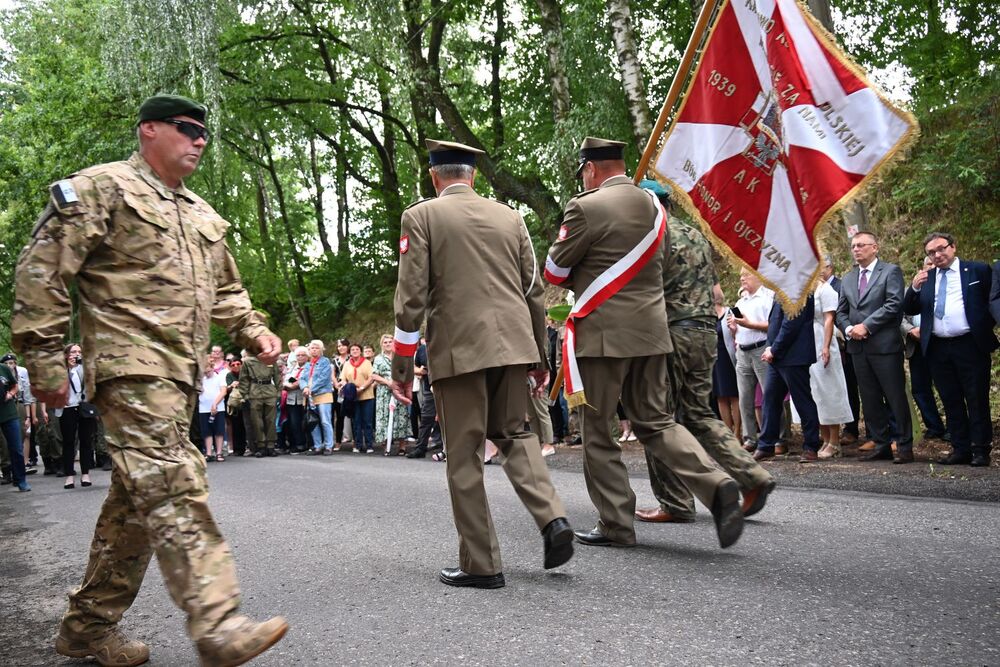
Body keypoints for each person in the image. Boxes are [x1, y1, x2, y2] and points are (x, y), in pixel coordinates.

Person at [11, 94, 287, 665]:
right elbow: (42, 269)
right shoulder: (101, 188)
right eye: (187, 129)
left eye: (204, 132)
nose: (199, 140)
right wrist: (41, 359)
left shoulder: (203, 214)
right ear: (149, 131)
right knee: (172, 478)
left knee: (135, 507)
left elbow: (229, 291)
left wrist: (254, 330)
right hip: (128, 367)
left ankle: (86, 628)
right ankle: (218, 622)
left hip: (181, 375)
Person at [390, 138, 574, 589]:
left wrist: (400, 366)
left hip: (459, 349)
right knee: (516, 434)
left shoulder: (422, 215)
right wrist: (537, 354)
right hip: (513, 346)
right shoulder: (510, 217)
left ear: (436, 177)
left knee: (464, 453)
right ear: (472, 176)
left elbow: (410, 298)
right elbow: (533, 291)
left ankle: (482, 563)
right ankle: (553, 518)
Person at [544, 136, 743, 550]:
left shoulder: (584, 206)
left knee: (598, 431)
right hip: (653, 332)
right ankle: (715, 483)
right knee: (657, 422)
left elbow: (554, 270)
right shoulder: (655, 207)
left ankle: (616, 524)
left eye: (583, 171)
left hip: (602, 335)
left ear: (591, 169)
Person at [633, 180, 775, 524]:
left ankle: (675, 502)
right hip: (704, 331)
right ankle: (752, 477)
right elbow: (714, 291)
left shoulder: (651, 236)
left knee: (657, 419)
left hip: (670, 334)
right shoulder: (695, 235)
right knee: (698, 414)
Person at [904, 232, 996, 466]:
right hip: (938, 347)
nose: (937, 255)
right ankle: (960, 448)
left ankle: (980, 449)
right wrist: (913, 288)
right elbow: (909, 308)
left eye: (941, 249)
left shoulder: (977, 270)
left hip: (970, 344)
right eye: (931, 253)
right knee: (950, 399)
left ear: (953, 247)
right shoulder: (928, 277)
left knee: (976, 398)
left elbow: (992, 300)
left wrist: (984, 328)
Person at [835, 231, 913, 463]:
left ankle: (904, 445)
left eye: (861, 245)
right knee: (869, 399)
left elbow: (893, 304)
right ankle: (881, 444)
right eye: (853, 246)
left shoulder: (890, 272)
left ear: (875, 247)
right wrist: (849, 329)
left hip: (885, 346)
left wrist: (866, 326)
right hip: (858, 348)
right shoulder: (848, 278)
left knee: (895, 397)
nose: (856, 249)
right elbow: (841, 311)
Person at [753, 297, 822, 462]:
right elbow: (774, 321)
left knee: (802, 400)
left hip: (794, 356)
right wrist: (770, 347)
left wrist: (774, 349)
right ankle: (766, 445)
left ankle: (811, 446)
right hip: (776, 356)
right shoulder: (781, 288)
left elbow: (791, 324)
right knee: (770, 398)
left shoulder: (799, 289)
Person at [900, 256, 949, 442]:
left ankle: (953, 427)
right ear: (922, 268)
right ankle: (934, 426)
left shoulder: (947, 287)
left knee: (947, 387)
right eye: (928, 264)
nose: (931, 267)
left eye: (934, 264)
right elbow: (901, 317)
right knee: (920, 388)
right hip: (917, 345)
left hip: (939, 344)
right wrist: (911, 330)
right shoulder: (911, 290)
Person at [809, 276, 854, 459]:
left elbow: (829, 319)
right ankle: (825, 438)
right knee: (815, 393)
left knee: (829, 391)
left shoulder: (825, 289)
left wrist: (826, 346)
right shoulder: (806, 290)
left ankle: (835, 441)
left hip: (823, 341)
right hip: (808, 344)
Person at [730, 269, 775, 449]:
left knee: (770, 394)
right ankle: (750, 438)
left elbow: (773, 325)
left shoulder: (768, 298)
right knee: (745, 398)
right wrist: (734, 327)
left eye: (746, 275)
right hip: (742, 351)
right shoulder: (741, 301)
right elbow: (739, 329)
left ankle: (776, 438)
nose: (742, 278)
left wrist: (749, 324)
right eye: (740, 275)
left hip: (761, 349)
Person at [822, 255, 862, 444]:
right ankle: (848, 428)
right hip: (829, 341)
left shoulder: (838, 286)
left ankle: (852, 429)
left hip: (845, 342)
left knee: (851, 386)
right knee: (842, 386)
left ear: (828, 267)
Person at [58, 343, 97, 489]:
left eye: (79, 351)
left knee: (86, 440)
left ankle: (86, 473)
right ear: (67, 354)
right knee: (68, 442)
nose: (77, 354)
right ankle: (69, 475)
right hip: (67, 408)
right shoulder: (61, 370)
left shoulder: (85, 368)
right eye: (73, 352)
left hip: (85, 407)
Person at [711, 286, 742, 439]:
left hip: (729, 358)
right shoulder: (707, 316)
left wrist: (734, 330)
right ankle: (727, 433)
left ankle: (737, 433)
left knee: (734, 395)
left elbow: (743, 332)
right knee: (720, 396)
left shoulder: (731, 312)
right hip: (713, 360)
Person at [405, 338, 444, 458]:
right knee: (426, 419)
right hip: (429, 389)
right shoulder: (422, 349)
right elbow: (413, 367)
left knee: (448, 419)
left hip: (447, 388)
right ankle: (420, 448)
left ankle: (447, 449)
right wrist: (420, 370)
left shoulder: (446, 345)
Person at [372, 334, 411, 453]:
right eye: (385, 342)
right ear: (382, 345)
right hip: (384, 391)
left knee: (402, 416)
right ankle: (386, 445)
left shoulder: (400, 357)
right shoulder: (378, 358)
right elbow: (374, 375)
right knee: (384, 416)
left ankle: (402, 446)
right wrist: (388, 382)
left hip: (399, 390)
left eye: (390, 342)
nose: (388, 344)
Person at [238, 353, 281, 458]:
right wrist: (245, 394)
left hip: (269, 391)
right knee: (257, 421)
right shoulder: (248, 361)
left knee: (271, 420)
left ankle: (271, 446)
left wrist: (279, 392)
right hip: (255, 390)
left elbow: (277, 376)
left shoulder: (271, 360)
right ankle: (261, 446)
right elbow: (243, 379)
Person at [0, 357, 31, 491]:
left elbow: (15, 385)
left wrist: (11, 394)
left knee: (16, 448)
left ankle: (21, 480)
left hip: (9, 414)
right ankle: (6, 473)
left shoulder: (4, 369)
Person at [302, 339, 335, 455]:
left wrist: (311, 389)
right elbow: (302, 378)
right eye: (312, 348)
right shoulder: (308, 364)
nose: (314, 350)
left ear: (321, 350)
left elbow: (324, 378)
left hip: (323, 394)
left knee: (325, 420)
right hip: (311, 396)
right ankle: (317, 445)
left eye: (316, 348)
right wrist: (305, 387)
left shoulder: (325, 361)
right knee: (313, 421)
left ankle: (328, 445)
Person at [341, 343, 376, 452]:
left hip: (367, 395)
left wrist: (361, 388)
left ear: (360, 351)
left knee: (367, 421)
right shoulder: (347, 364)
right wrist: (346, 387)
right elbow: (343, 378)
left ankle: (369, 445)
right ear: (349, 352)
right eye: (352, 349)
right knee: (356, 421)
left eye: (357, 349)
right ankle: (357, 444)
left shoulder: (367, 363)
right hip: (352, 396)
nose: (355, 351)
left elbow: (371, 378)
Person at [198, 354, 229, 461]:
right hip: (204, 408)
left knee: (219, 430)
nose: (207, 373)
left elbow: (223, 391)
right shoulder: (201, 379)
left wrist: (215, 404)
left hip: (218, 408)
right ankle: (209, 452)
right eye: (205, 372)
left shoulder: (219, 377)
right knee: (206, 431)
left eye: (208, 371)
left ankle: (219, 453)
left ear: (212, 368)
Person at [281, 346, 310, 453]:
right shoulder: (293, 367)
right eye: (298, 355)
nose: (300, 357)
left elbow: (300, 382)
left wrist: (292, 383)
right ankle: (298, 443)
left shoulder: (309, 367)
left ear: (307, 356)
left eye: (303, 355)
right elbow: (288, 379)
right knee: (294, 422)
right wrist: (292, 383)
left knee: (306, 421)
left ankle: (306, 443)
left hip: (304, 399)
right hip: (291, 399)